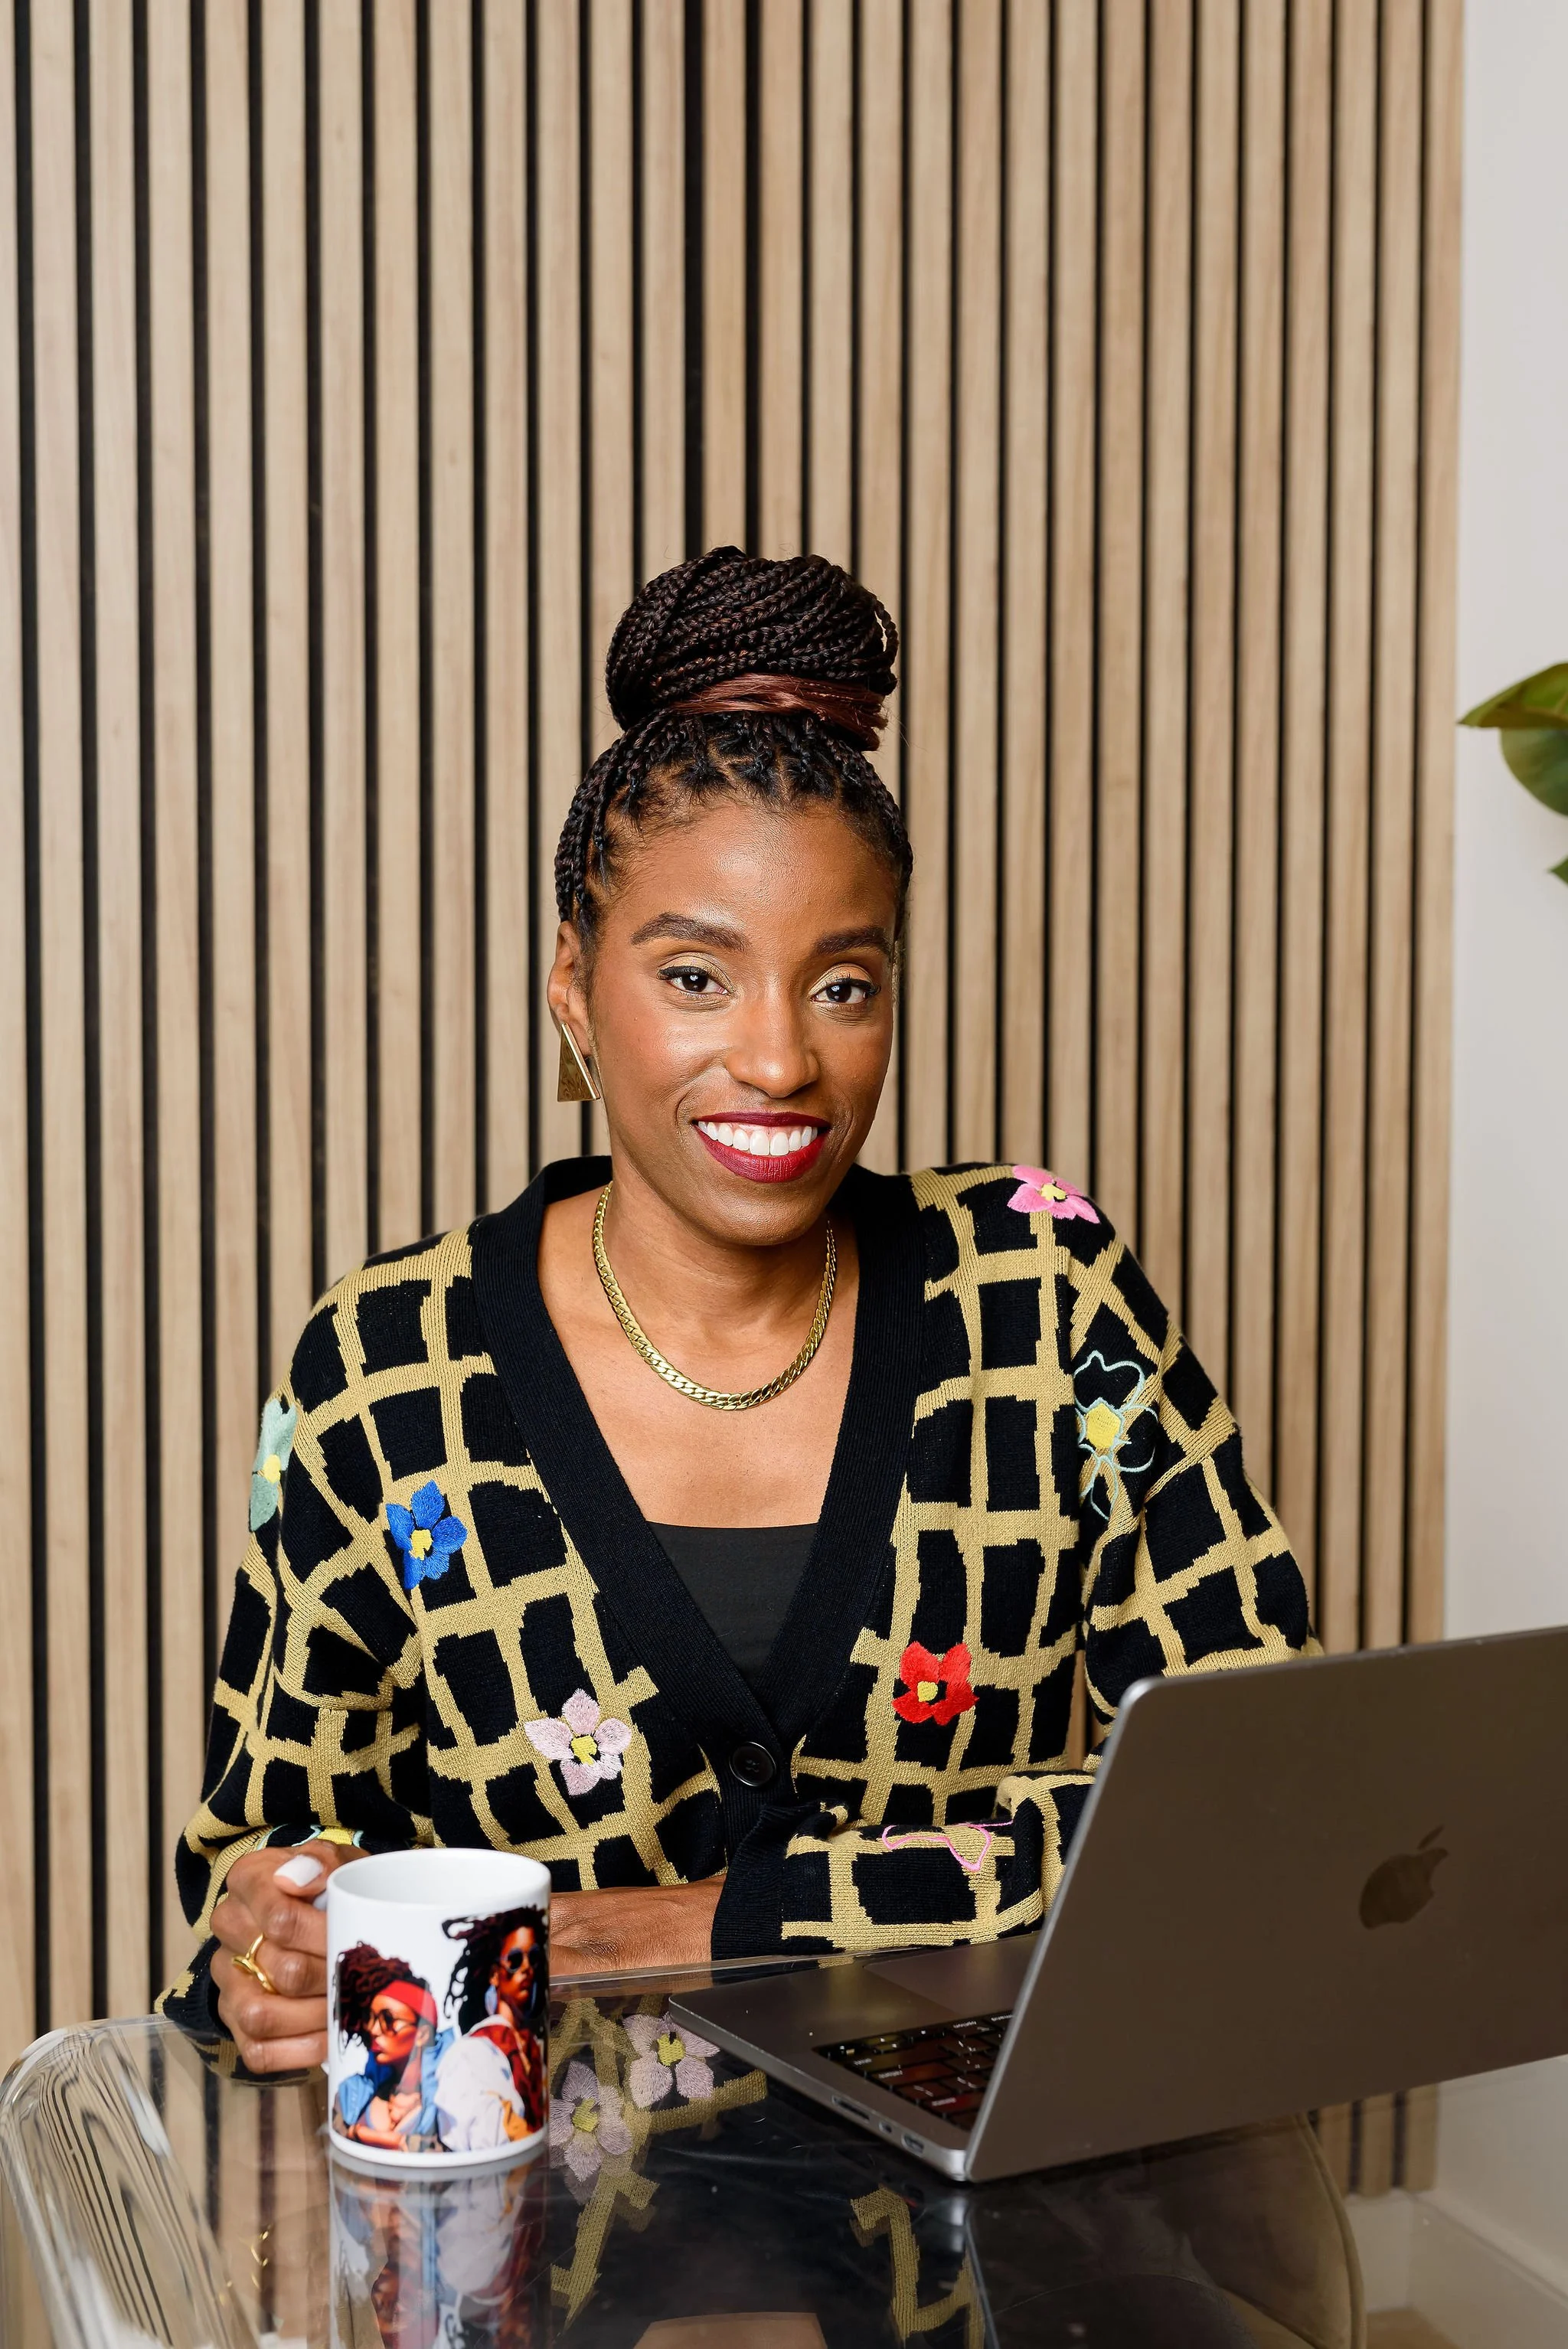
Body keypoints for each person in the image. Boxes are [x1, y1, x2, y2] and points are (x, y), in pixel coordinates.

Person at [161, 546, 1315, 2076]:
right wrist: (270, 1949)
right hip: (534, 2275)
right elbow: (257, 1863)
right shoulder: (389, 1370)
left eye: (841, 983)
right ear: (571, 985)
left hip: (1019, 2258)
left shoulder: (1044, 1299)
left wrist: (644, 1925)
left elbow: (1263, 1796)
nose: (778, 1060)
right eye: (697, 975)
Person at [433, 1907, 548, 2150]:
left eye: (534, 1958)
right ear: (495, 1975)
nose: (527, 1967)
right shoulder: (472, 2052)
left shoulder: (533, 2050)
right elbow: (475, 2130)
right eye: (515, 1960)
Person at [333, 1945, 453, 2153]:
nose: (373, 2030)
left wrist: (363, 2135)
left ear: (423, 2034)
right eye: (370, 2019)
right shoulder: (352, 2095)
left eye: (388, 2020)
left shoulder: (451, 2101)